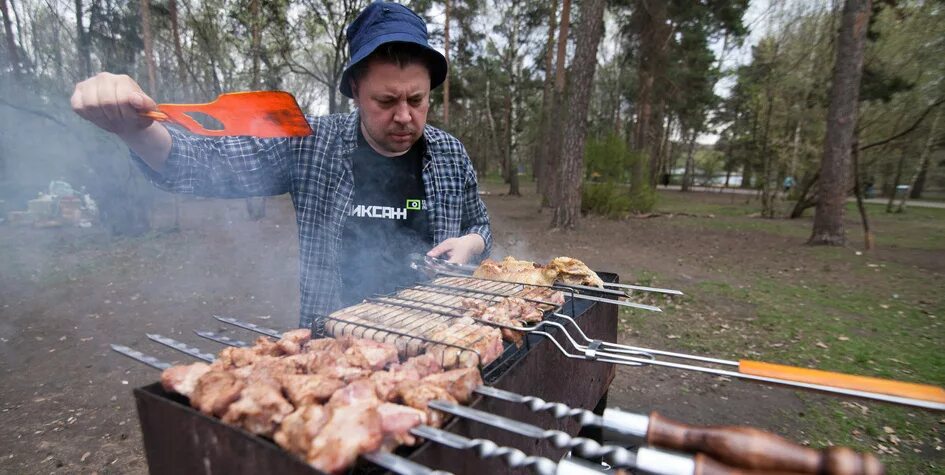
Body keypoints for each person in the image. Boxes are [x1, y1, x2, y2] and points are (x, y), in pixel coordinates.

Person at [70, 2, 492, 328]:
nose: (404, 116)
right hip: (334, 343)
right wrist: (134, 127)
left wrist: (472, 244)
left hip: (435, 335)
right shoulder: (309, 142)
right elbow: (198, 164)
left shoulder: (450, 156)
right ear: (356, 92)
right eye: (386, 101)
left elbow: (480, 229)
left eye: (416, 100)